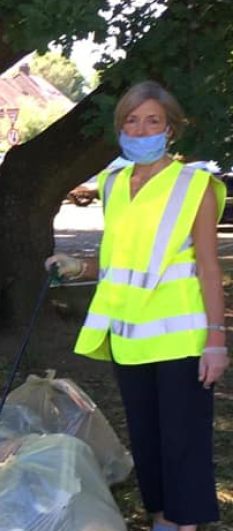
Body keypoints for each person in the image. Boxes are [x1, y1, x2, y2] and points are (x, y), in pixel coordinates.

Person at [46, 80, 229, 531]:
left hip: (181, 337)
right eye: (132, 120)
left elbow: (208, 268)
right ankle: (161, 519)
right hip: (129, 337)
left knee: (182, 442)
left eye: (152, 121)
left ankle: (185, 524)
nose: (140, 129)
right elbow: (119, 259)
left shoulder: (195, 185)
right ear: (120, 127)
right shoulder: (111, 184)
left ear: (171, 130)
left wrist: (217, 341)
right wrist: (78, 266)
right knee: (146, 440)